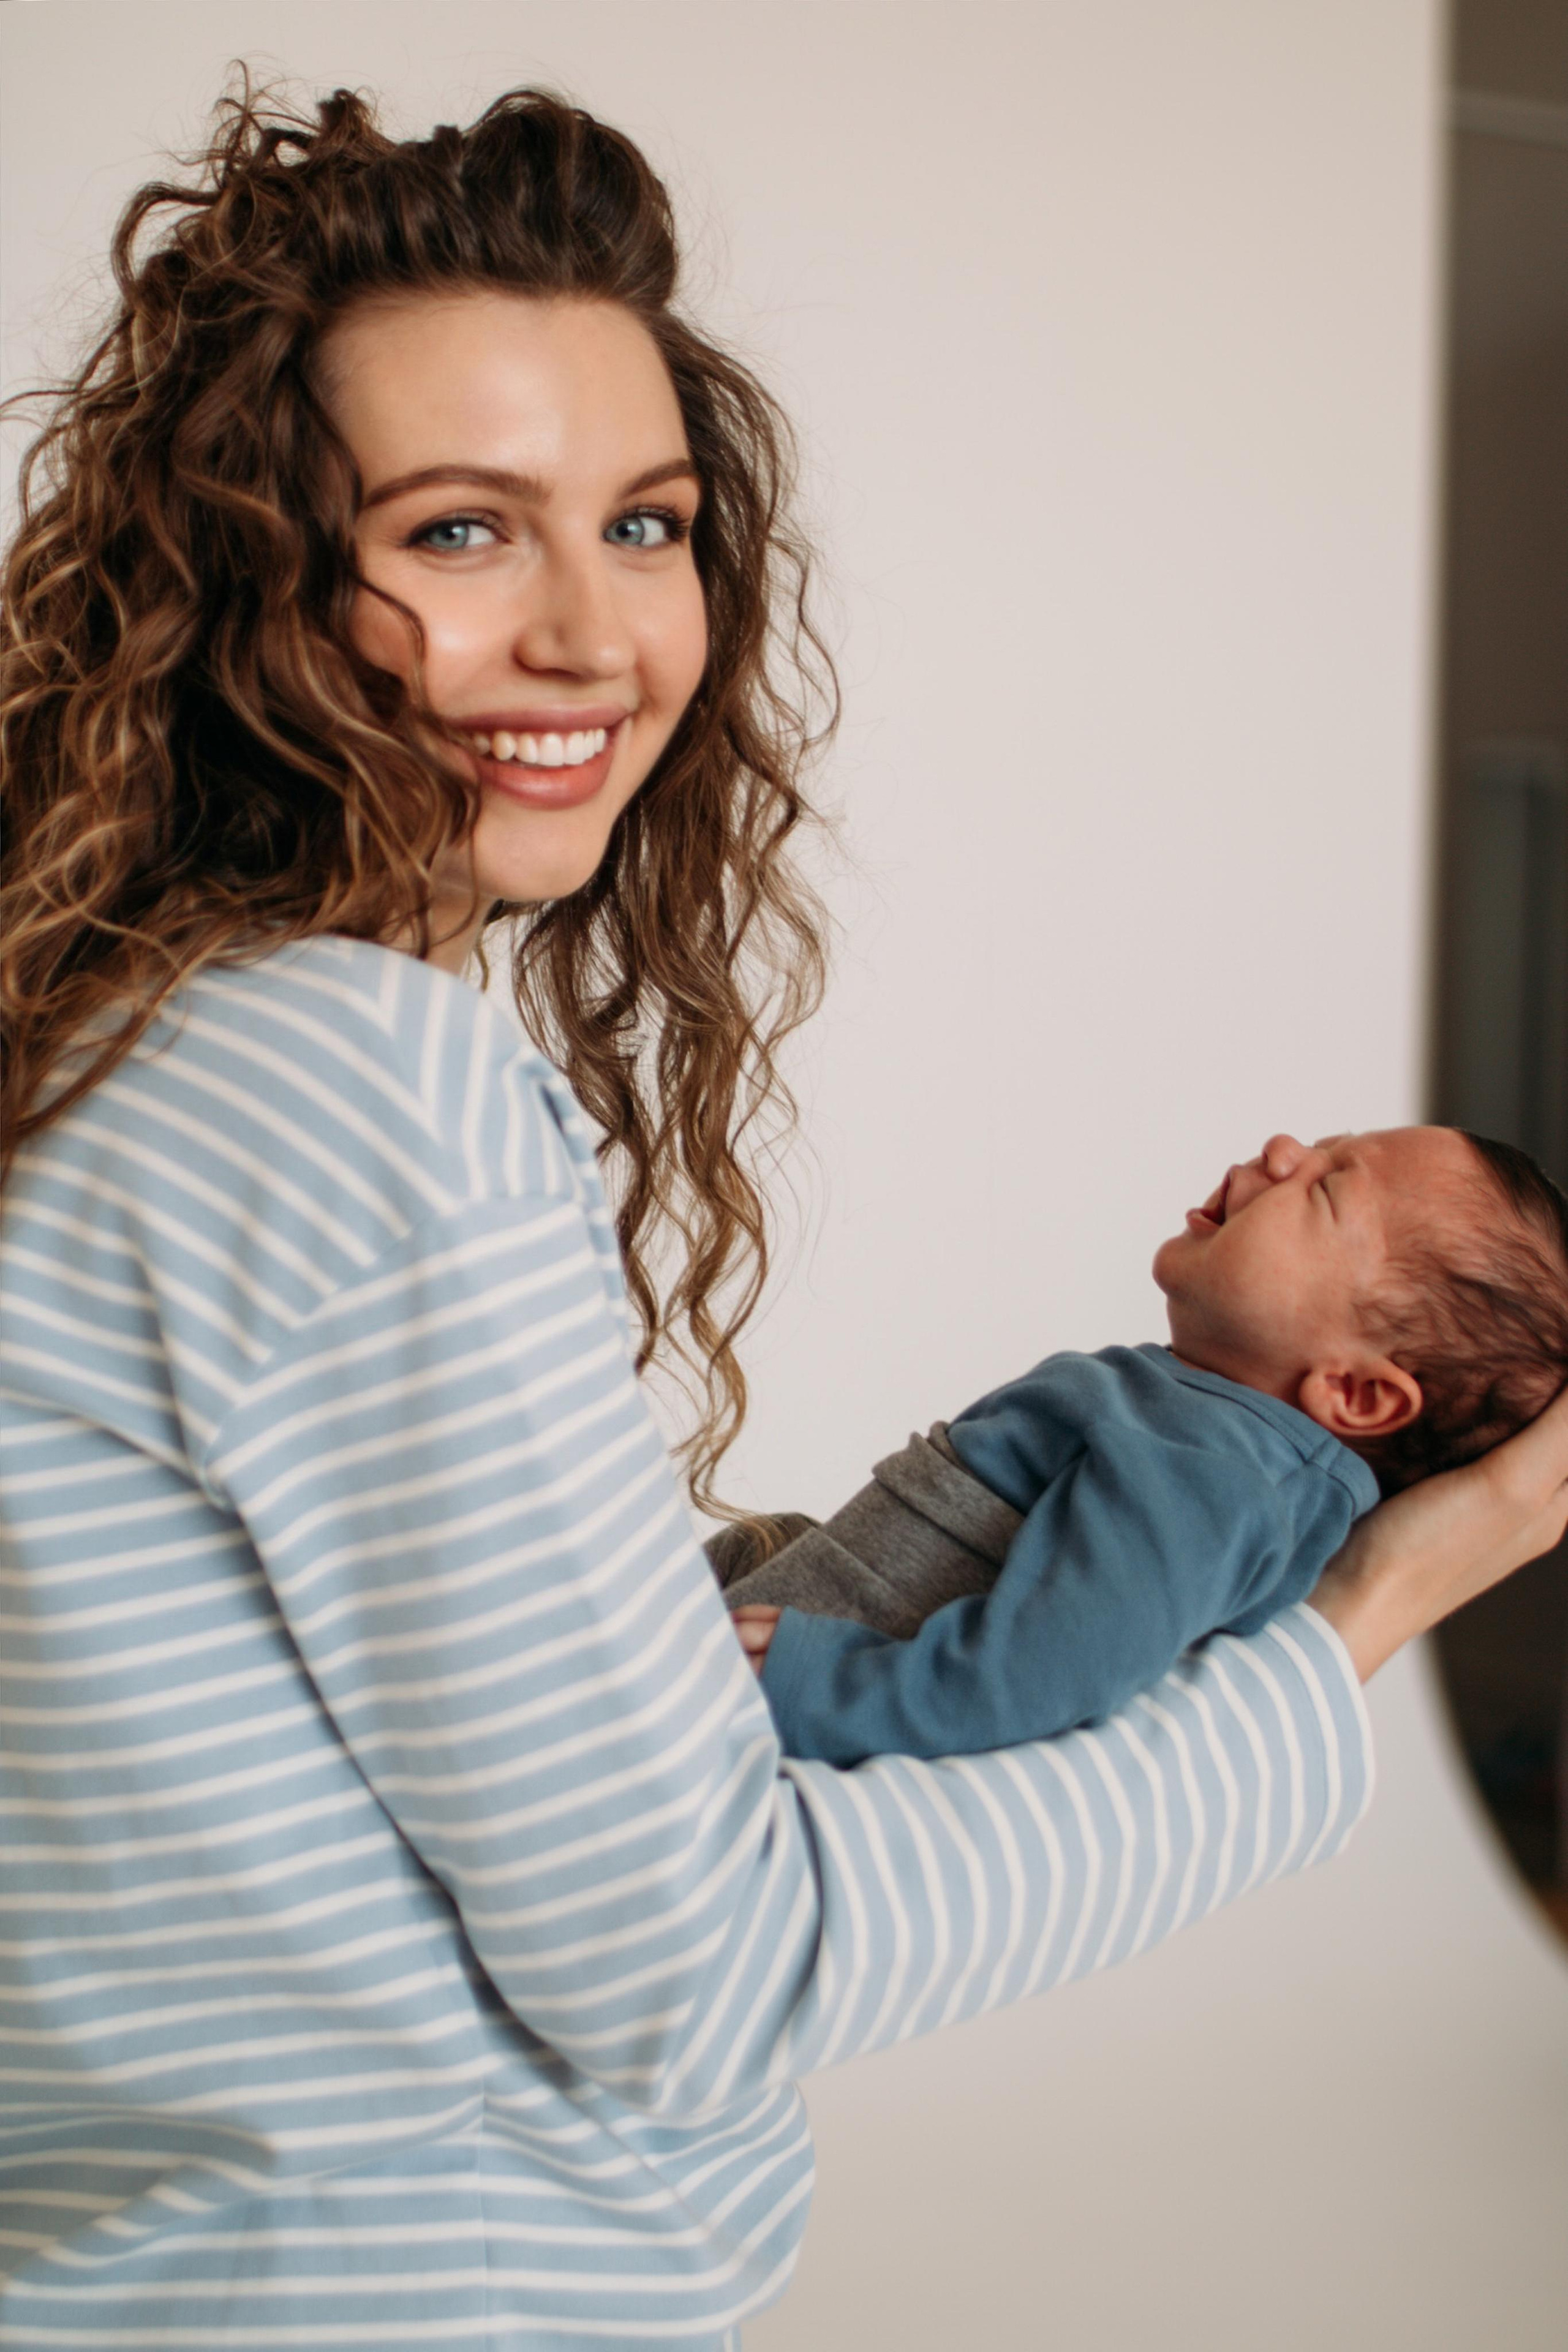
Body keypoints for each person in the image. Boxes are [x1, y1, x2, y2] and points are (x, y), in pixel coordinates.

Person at [1, 71, 1566, 2352]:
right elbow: (706, 1970)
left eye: (644, 526)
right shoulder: (361, 1088)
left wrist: (706, 1601)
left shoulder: (145, 1045)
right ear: (254, 586)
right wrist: (1351, 1640)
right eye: (458, 532)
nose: (592, 637)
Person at [720, 1126, 1568, 1763]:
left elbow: (1035, 1676)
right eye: (1317, 1149)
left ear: (1355, 1392)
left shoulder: (1219, 1472)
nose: (1281, 1151)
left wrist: (814, 1678)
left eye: (1325, 1190)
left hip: (766, 1724)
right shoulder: (1199, 1430)